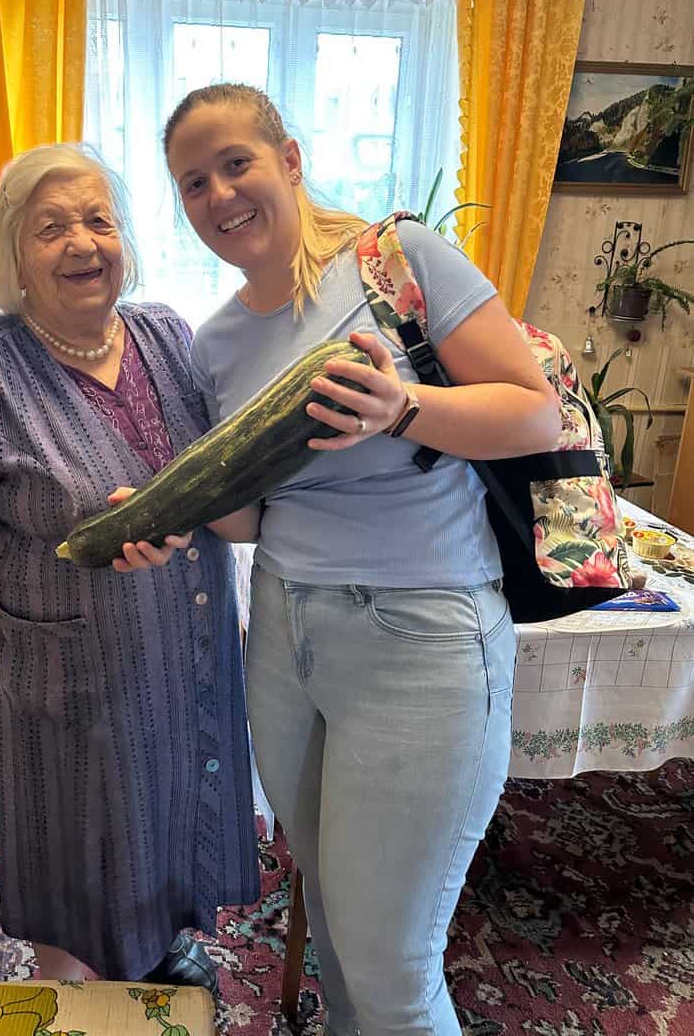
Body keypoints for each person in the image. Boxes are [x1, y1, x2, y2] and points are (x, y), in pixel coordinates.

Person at [154, 83, 562, 1036]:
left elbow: (532, 408)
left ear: (290, 160)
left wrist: (404, 407)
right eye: (193, 183)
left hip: (424, 632)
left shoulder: (396, 262)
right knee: (339, 927)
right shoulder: (213, 344)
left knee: (392, 964)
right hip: (288, 630)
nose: (219, 195)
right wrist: (173, 511)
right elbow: (252, 518)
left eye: (237, 164)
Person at [0, 142, 260, 991]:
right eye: (50, 227)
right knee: (79, 839)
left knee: (174, 812)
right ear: (13, 257)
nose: (82, 243)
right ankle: (79, 991)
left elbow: (216, 486)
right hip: (69, 675)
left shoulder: (168, 334)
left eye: (99, 220)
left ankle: (161, 958)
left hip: (184, 655)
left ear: (125, 239)